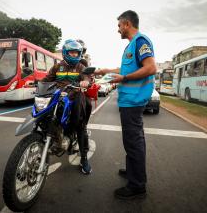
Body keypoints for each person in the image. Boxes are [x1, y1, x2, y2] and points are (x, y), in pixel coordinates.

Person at [95, 10, 157, 199]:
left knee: (133, 142)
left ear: (127, 24)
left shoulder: (140, 41)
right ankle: (133, 172)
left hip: (134, 101)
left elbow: (151, 67)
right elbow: (123, 69)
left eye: (119, 25)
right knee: (133, 141)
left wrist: (124, 78)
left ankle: (137, 185)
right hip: (129, 100)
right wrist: (105, 70)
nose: (118, 29)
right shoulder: (131, 46)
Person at [42, 39, 93, 175]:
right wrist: (36, 83)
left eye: (77, 53)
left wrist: (85, 82)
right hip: (59, 96)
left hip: (75, 96)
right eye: (72, 52)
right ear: (65, 52)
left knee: (80, 126)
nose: (74, 55)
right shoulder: (58, 67)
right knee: (45, 115)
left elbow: (88, 77)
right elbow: (47, 79)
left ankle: (84, 158)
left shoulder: (81, 67)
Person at [76, 39, 93, 129]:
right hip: (65, 89)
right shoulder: (64, 62)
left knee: (88, 105)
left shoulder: (83, 62)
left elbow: (87, 75)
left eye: (81, 50)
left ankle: (83, 126)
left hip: (80, 88)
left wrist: (87, 81)